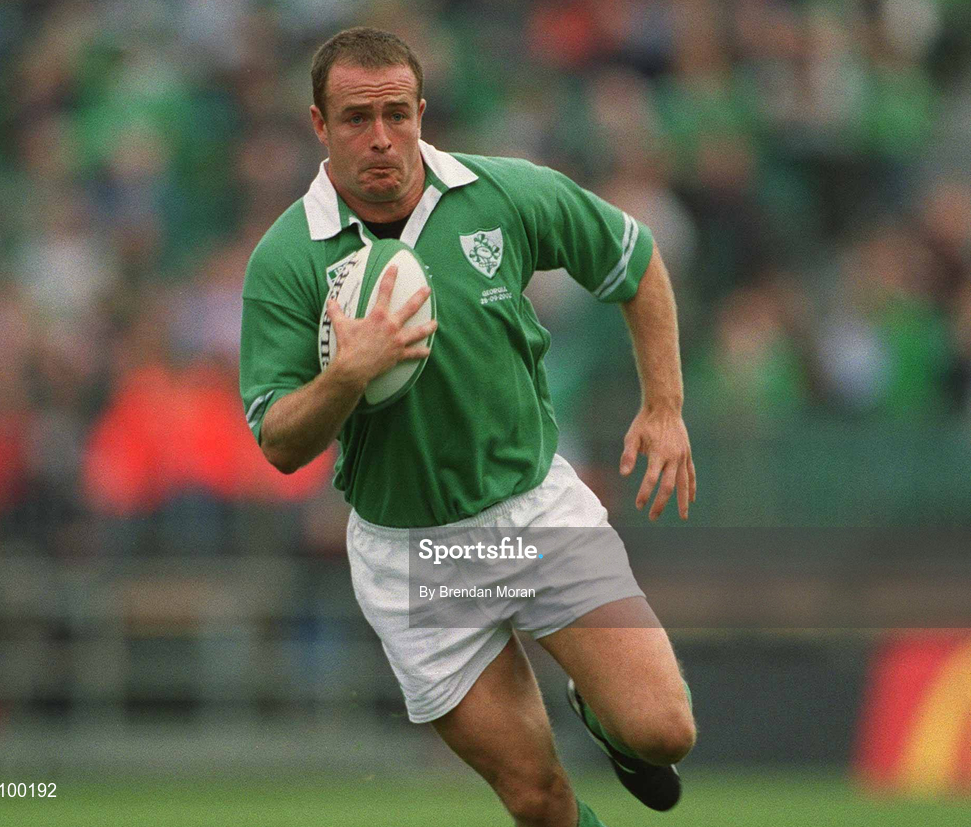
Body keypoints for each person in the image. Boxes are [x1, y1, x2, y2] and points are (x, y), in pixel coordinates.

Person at [239, 27, 697, 827]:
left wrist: (664, 407)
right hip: (412, 552)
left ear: (422, 111)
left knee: (664, 732)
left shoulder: (503, 194)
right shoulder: (288, 258)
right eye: (354, 118)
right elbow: (278, 441)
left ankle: (601, 712)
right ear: (318, 124)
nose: (379, 138)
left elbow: (636, 260)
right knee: (538, 799)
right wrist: (349, 371)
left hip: (534, 515)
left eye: (395, 113)